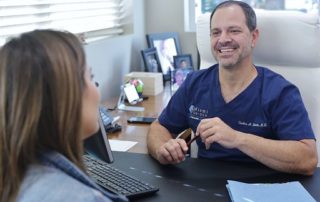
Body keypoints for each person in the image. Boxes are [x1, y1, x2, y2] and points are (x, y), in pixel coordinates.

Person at [147, 1, 318, 175]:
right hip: (206, 187)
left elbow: (307, 159)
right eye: (216, 32)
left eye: (234, 30)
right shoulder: (195, 83)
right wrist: (163, 149)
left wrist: (237, 138)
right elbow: (159, 127)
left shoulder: (279, 91)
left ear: (254, 37)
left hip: (263, 189)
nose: (223, 39)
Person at [0, 30, 128, 202]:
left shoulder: (14, 176)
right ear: (63, 98)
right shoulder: (82, 198)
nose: (97, 89)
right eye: (90, 77)